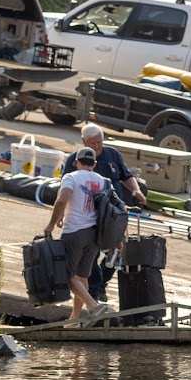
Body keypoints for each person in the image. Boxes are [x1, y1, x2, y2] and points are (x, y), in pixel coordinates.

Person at [43, 148, 111, 324]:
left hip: (74, 232)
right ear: (94, 164)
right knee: (82, 277)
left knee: (65, 275)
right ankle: (74, 319)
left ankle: (93, 305)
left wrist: (52, 223)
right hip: (94, 235)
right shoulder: (102, 181)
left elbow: (62, 200)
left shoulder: (71, 177)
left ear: (76, 162)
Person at [81, 123, 145, 207]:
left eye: (99, 142)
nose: (96, 146)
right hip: (89, 207)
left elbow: (126, 176)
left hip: (114, 206)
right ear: (84, 141)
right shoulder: (77, 159)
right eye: (92, 143)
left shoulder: (113, 154)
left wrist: (136, 190)